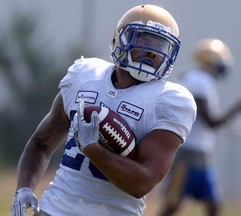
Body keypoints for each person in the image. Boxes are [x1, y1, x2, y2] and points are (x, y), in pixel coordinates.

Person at [10, 4, 197, 216]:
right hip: (54, 210)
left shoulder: (170, 100)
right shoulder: (84, 75)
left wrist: (92, 148)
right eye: (144, 41)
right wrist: (24, 187)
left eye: (161, 46)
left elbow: (142, 183)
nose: (153, 53)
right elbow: (41, 143)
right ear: (120, 39)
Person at [159, 38, 241, 216]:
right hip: (188, 153)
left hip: (200, 154)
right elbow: (211, 122)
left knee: (213, 205)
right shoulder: (200, 81)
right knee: (173, 204)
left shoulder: (198, 79)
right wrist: (238, 106)